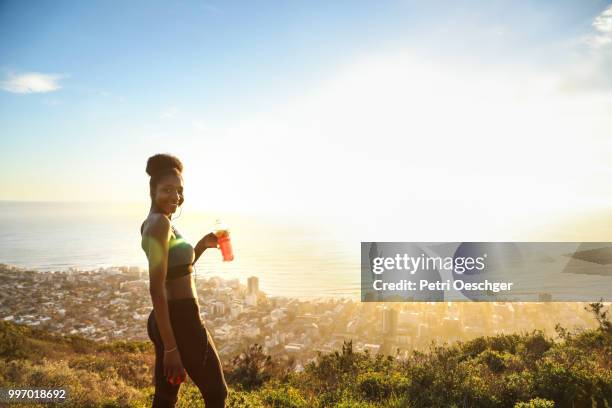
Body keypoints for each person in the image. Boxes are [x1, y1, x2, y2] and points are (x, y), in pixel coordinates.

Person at [141, 153, 228, 407]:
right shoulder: (159, 224)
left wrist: (200, 246)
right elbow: (156, 288)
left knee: (167, 396)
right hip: (182, 320)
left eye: (179, 191)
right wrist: (171, 349)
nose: (176, 197)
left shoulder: (157, 222)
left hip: (167, 319)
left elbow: (176, 272)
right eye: (167, 189)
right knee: (217, 394)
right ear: (152, 190)